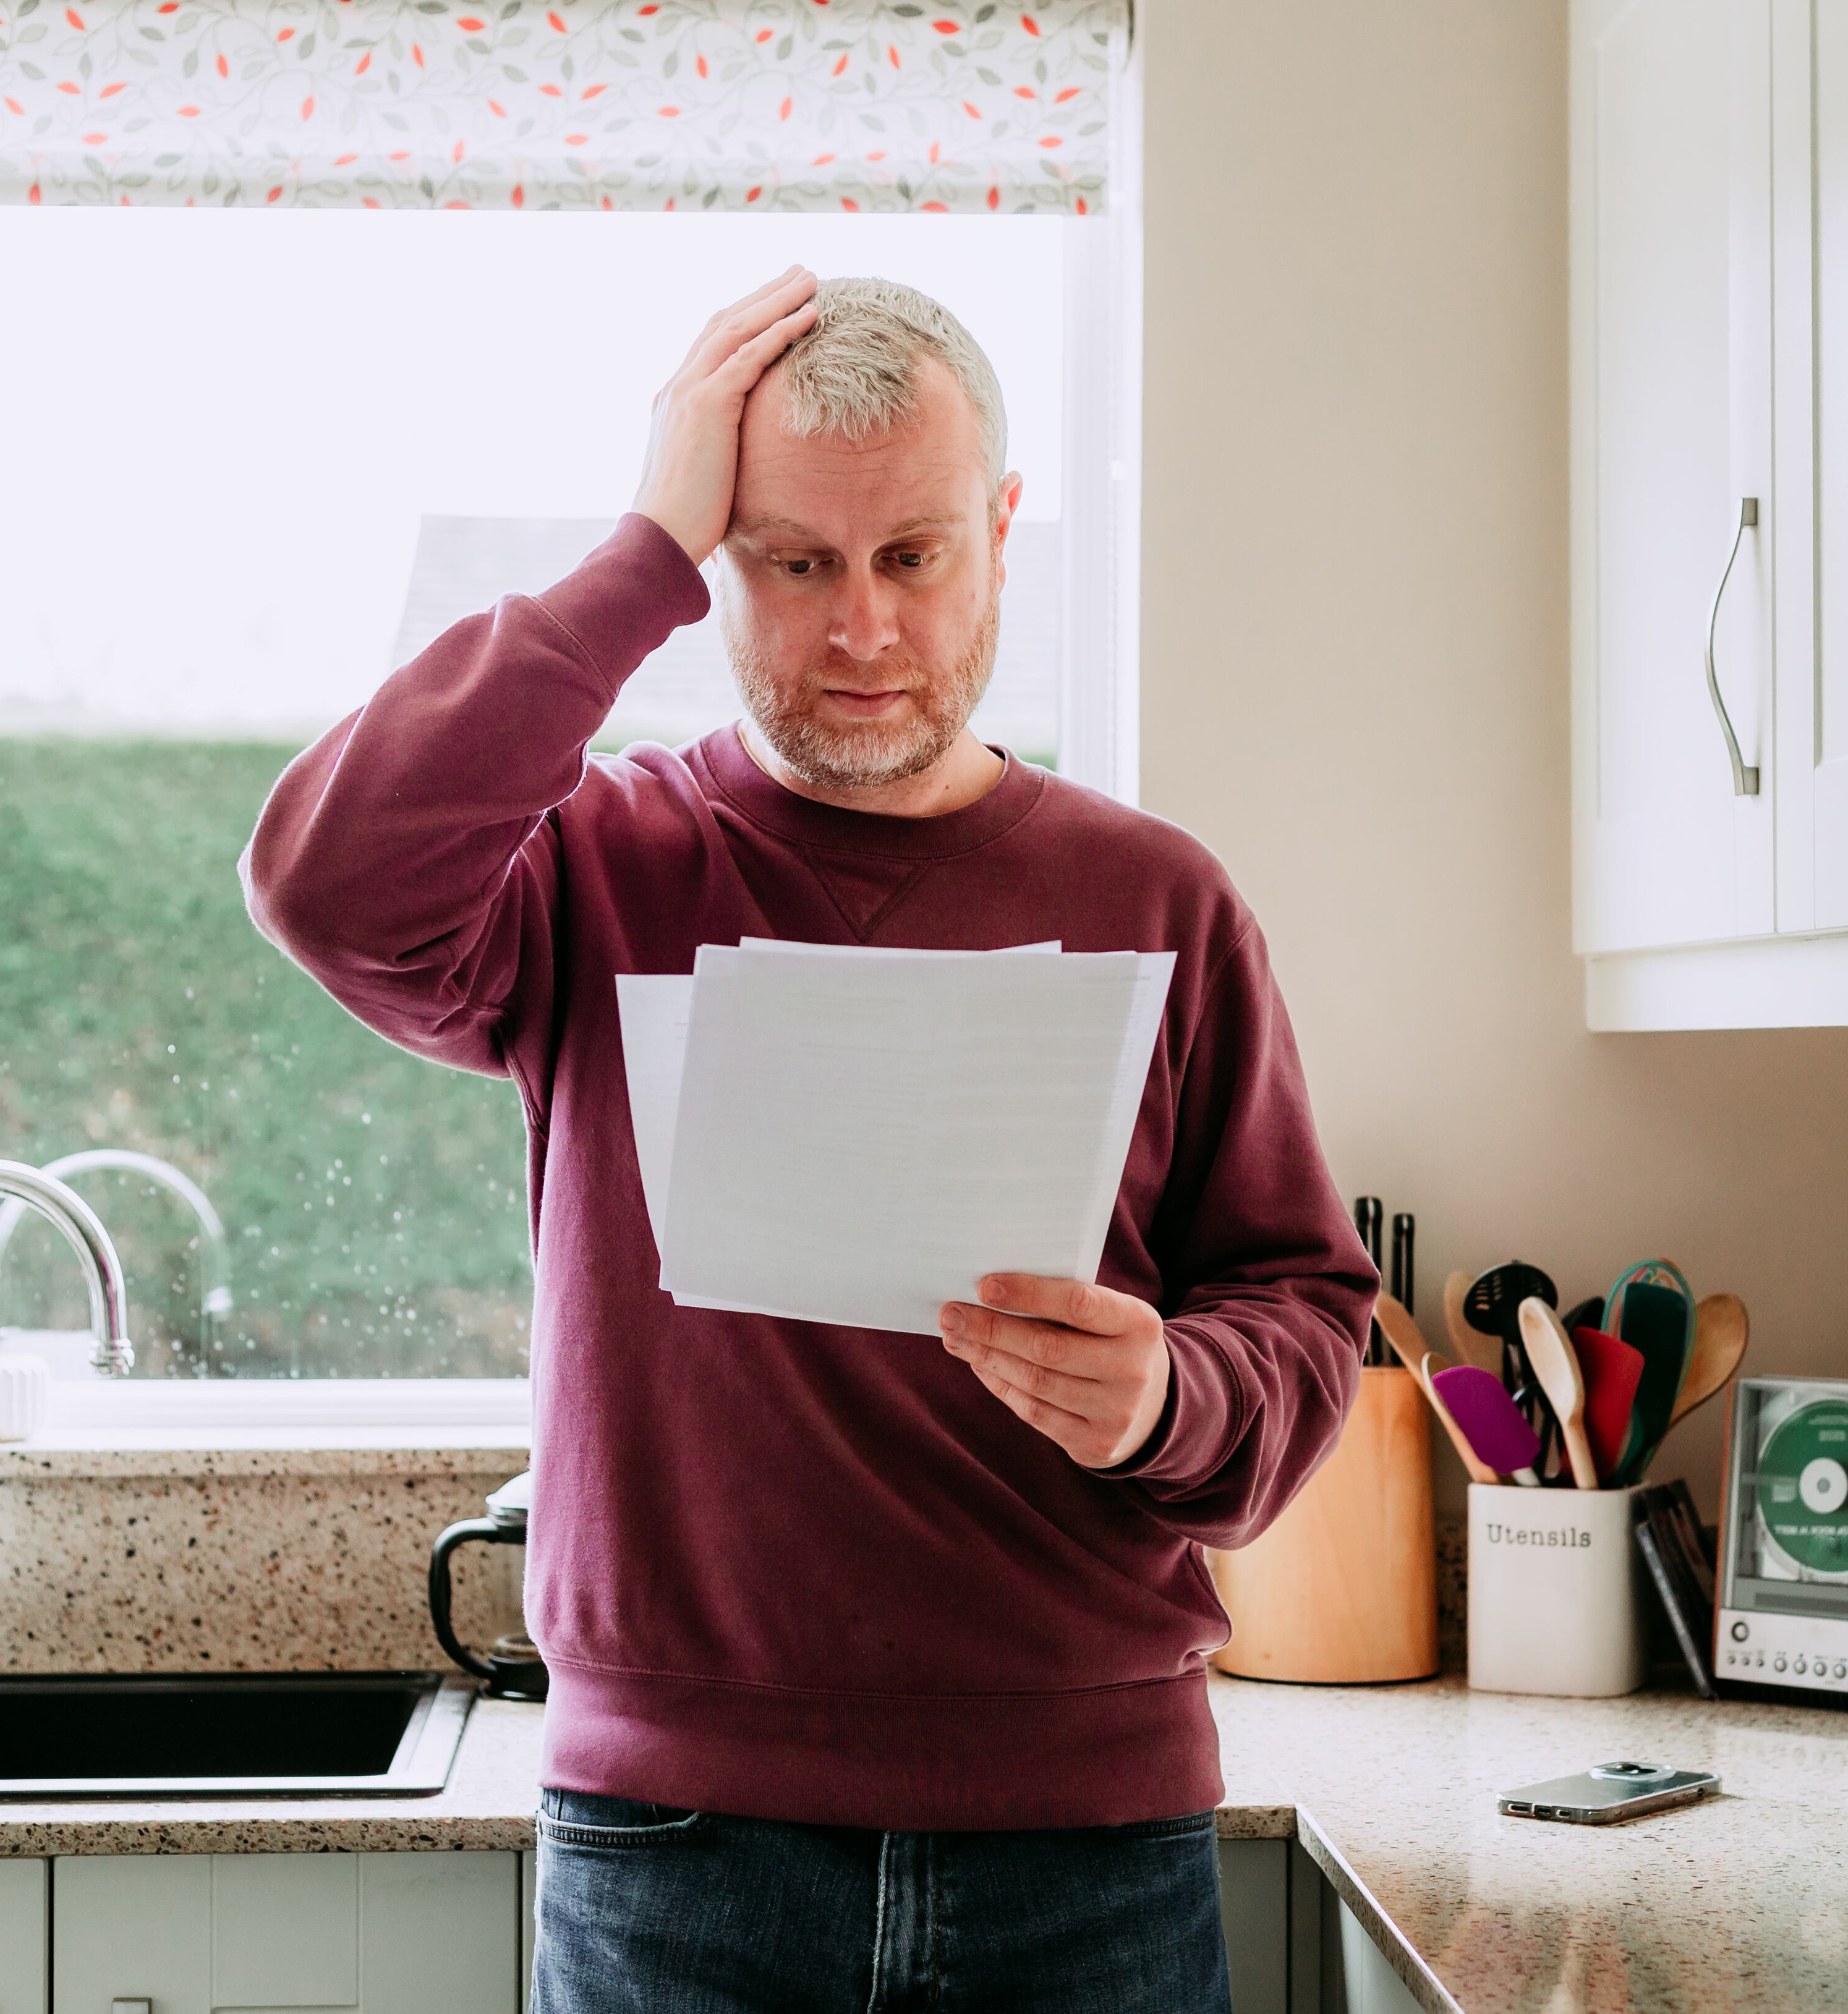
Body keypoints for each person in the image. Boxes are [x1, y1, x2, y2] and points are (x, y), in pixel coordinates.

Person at [245, 268, 1369, 2012]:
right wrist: (636, 549)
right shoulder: (599, 870)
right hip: (674, 1849)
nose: (861, 633)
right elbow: (326, 884)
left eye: (913, 557)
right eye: (791, 561)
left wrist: (1168, 1396)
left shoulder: (1159, 901)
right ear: (716, 566)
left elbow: (1303, 1310)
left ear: (1003, 532)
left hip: (1085, 1847)